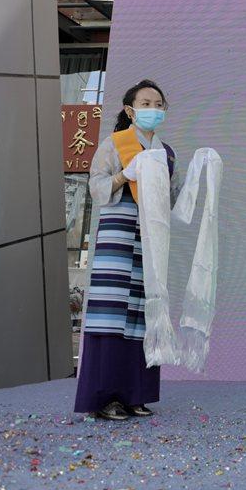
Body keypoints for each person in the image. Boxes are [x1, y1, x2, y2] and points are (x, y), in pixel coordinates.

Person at [74, 80, 182, 420]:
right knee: (111, 313)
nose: (153, 108)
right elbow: (97, 187)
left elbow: (172, 200)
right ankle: (104, 398)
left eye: (158, 104)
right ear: (130, 109)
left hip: (150, 239)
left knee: (142, 314)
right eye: (146, 102)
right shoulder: (114, 144)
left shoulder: (167, 153)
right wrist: (124, 175)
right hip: (119, 236)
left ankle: (136, 393)